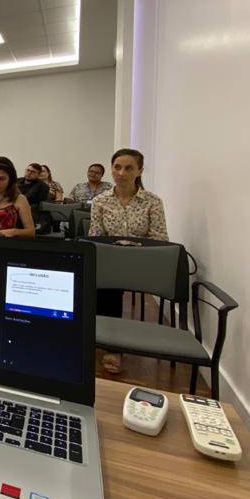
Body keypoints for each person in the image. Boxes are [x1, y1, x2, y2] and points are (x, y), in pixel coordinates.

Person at [89, 148, 169, 373]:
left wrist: (130, 252)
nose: (122, 173)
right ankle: (100, 337)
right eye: (117, 167)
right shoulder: (100, 201)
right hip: (111, 259)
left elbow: (159, 239)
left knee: (108, 284)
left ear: (140, 171)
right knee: (98, 279)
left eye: (128, 168)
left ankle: (112, 346)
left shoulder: (152, 201)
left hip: (141, 261)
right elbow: (96, 236)